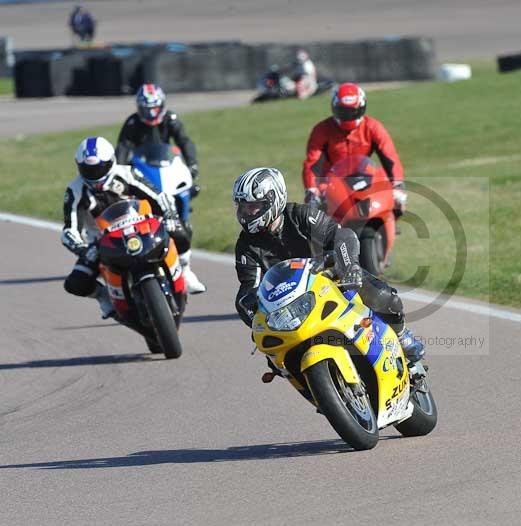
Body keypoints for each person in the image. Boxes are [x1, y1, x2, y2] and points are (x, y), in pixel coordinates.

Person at [231, 167, 426, 371]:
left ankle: (401, 336)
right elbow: (248, 290)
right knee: (282, 362)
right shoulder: (246, 245)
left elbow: (342, 236)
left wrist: (348, 267)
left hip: (330, 279)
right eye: (242, 207)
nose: (246, 213)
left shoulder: (300, 215)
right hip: (290, 306)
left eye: (252, 206)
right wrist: (257, 323)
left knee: (383, 296)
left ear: (273, 200)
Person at [62, 137, 206, 318]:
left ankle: (185, 271)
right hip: (104, 242)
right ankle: (104, 298)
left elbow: (159, 196)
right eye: (88, 170)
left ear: (111, 162)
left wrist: (169, 216)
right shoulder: (75, 190)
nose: (95, 175)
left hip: (142, 227)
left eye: (99, 168)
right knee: (75, 283)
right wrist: (83, 249)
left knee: (181, 230)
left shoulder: (127, 173)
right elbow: (69, 230)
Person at [301, 82, 407, 213]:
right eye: (343, 112)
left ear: (362, 108)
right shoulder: (321, 130)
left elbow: (390, 157)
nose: (348, 116)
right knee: (316, 220)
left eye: (353, 111)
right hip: (331, 185)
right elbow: (312, 162)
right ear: (335, 109)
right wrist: (311, 190)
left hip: (366, 179)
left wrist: (397, 185)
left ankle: (387, 227)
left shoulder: (373, 127)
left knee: (394, 203)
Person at [115, 84, 200, 198]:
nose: (151, 114)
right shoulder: (132, 123)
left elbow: (184, 141)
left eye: (154, 109)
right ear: (139, 107)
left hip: (166, 163)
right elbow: (123, 147)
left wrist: (192, 163)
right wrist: (120, 170)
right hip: (141, 167)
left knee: (188, 189)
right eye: (147, 110)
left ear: (162, 105)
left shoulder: (170, 119)